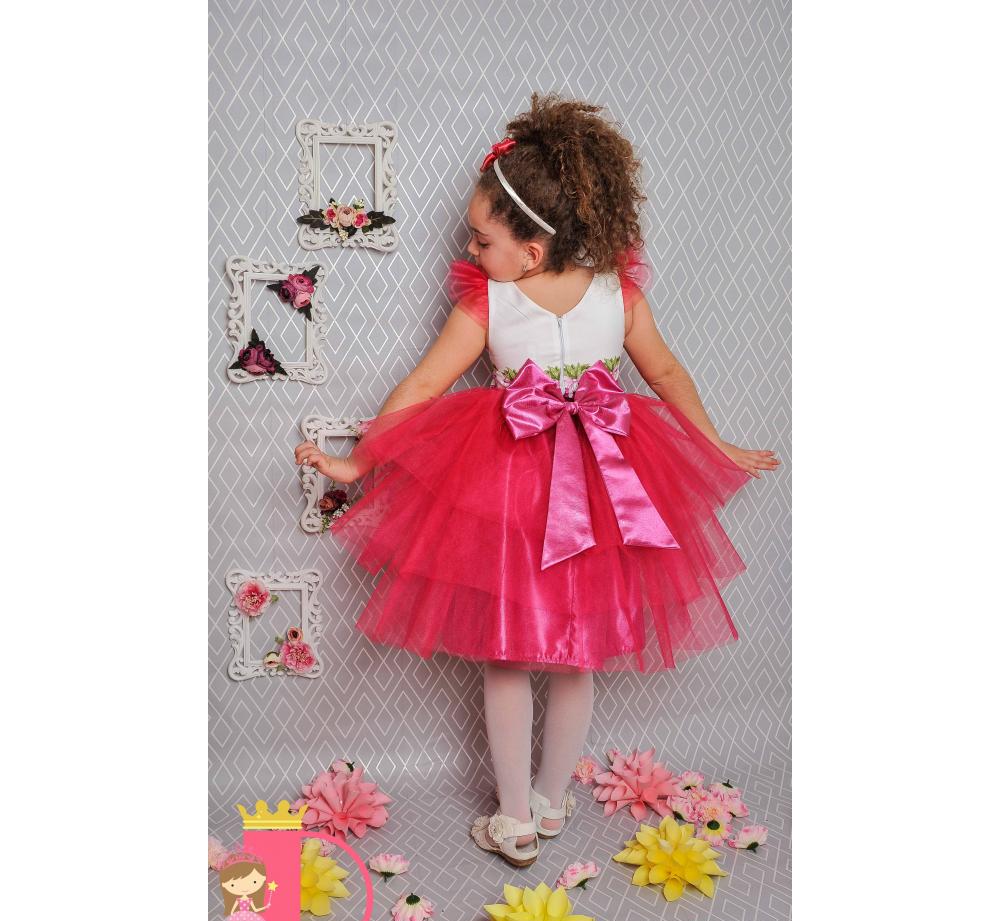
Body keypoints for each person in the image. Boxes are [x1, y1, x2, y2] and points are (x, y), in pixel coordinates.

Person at [294, 92, 779, 867]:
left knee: (509, 655)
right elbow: (666, 375)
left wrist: (361, 461)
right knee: (577, 654)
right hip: (593, 486)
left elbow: (423, 387)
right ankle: (547, 805)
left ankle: (516, 817)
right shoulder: (617, 293)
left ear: (529, 250)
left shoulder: (491, 302)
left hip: (516, 492)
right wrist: (710, 441)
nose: (469, 249)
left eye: (481, 238)